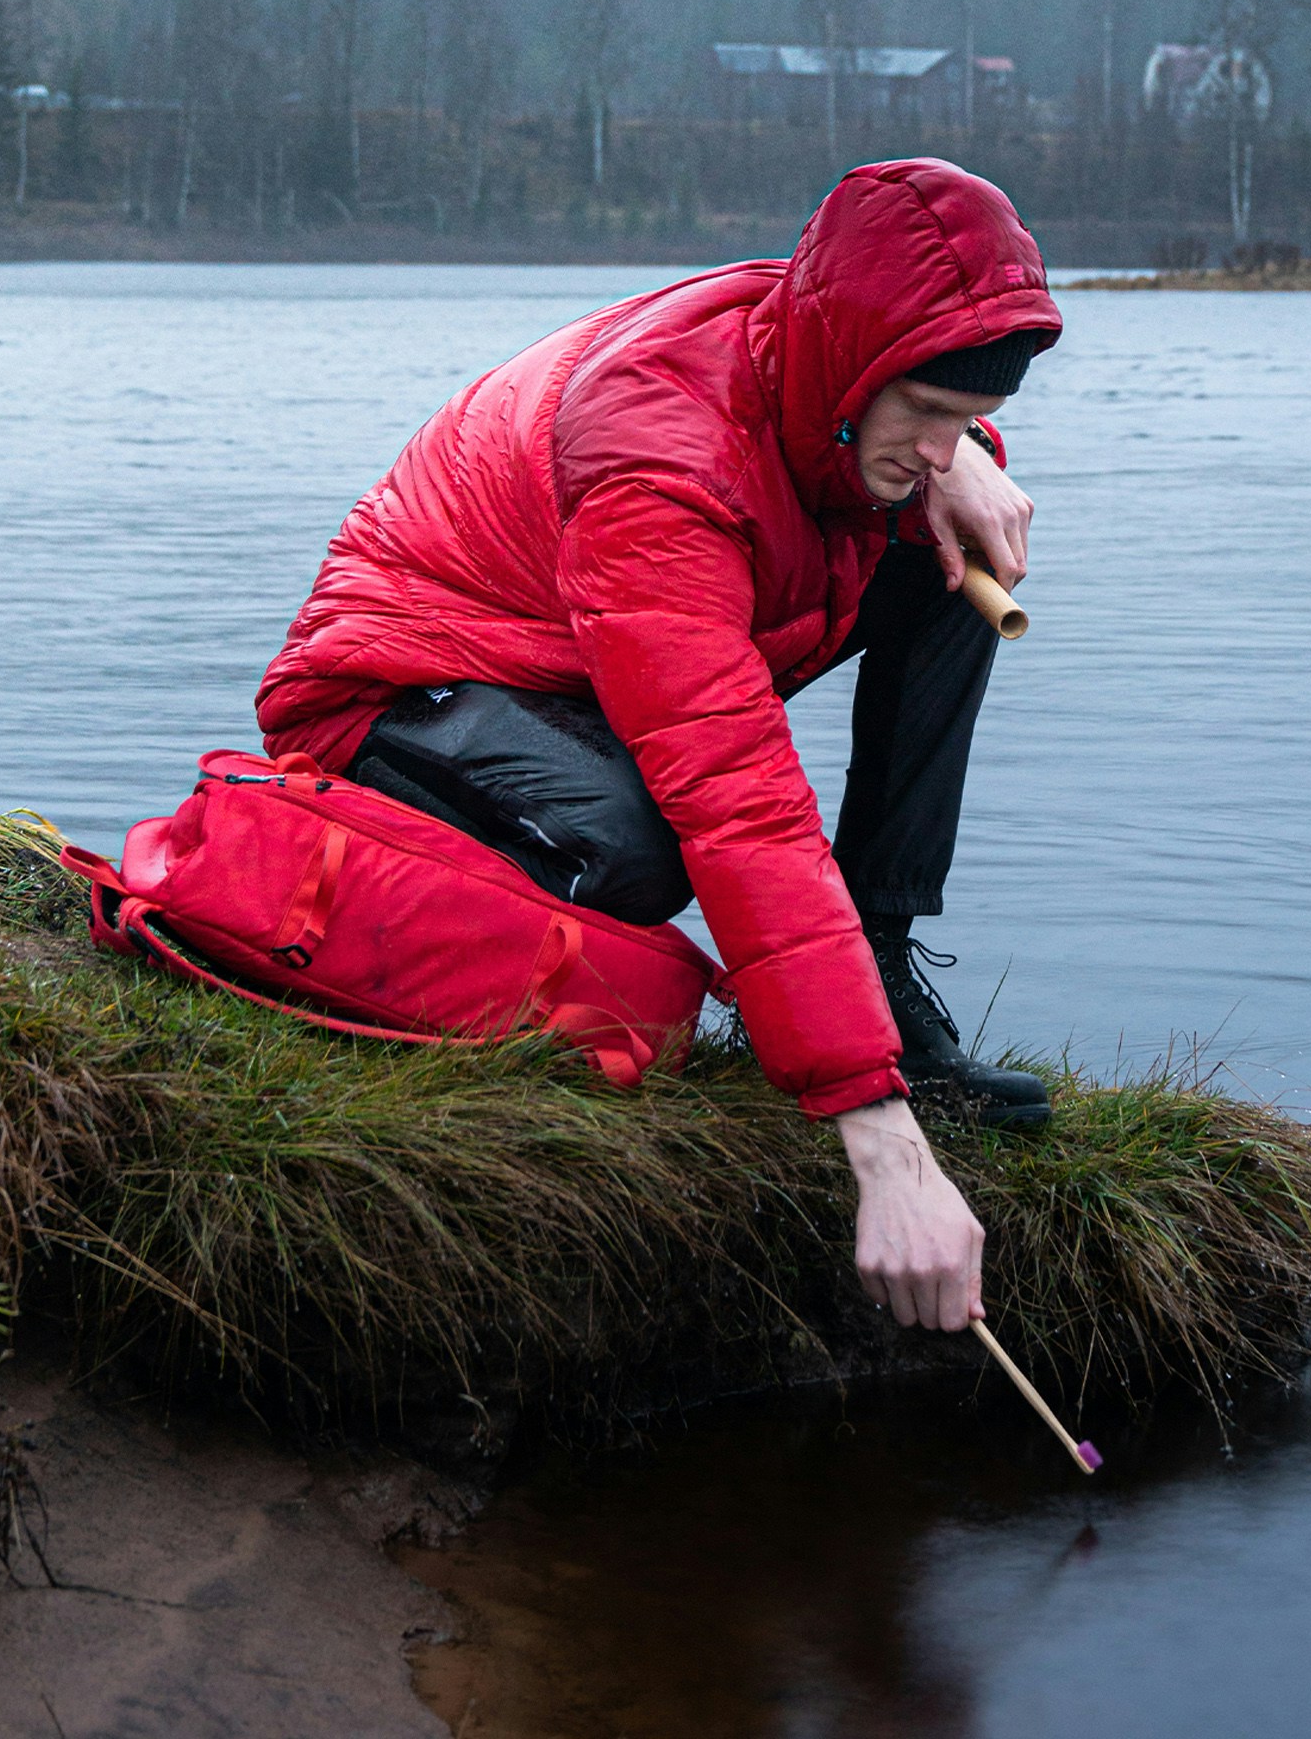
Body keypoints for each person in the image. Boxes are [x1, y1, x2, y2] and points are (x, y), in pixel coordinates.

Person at [254, 157, 1062, 1338]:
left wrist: (968, 452)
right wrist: (882, 1144)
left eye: (967, 419)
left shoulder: (822, 360)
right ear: (855, 368)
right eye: (928, 415)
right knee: (643, 843)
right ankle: (442, 947)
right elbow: (735, 793)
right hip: (397, 691)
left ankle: (881, 964)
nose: (943, 447)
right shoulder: (661, 462)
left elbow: (896, 404)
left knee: (957, 565)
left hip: (579, 670)